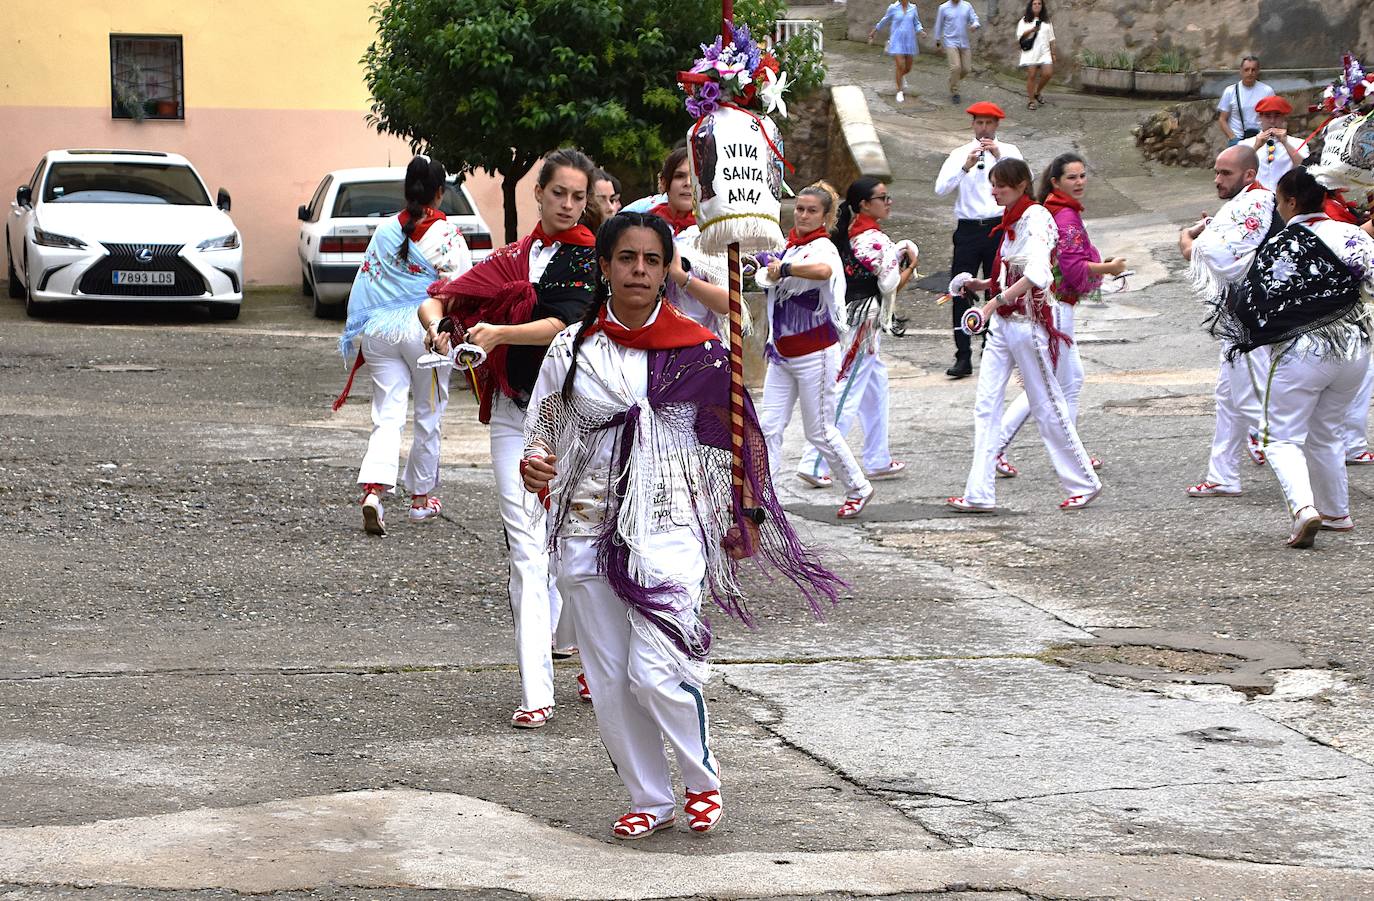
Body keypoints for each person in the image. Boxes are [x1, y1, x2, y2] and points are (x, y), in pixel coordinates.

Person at [520, 212, 842, 839]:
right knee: (610, 677)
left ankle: (701, 779)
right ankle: (650, 795)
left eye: (650, 259)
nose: (638, 269)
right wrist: (537, 465)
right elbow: (542, 429)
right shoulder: (572, 349)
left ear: (667, 268)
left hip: (670, 523)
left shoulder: (697, 348)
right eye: (625, 258)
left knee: (657, 669)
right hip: (586, 524)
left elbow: (734, 442)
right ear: (605, 266)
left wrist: (739, 516)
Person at [420, 148, 599, 730]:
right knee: (526, 550)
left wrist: (498, 332)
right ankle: (535, 690)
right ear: (539, 193)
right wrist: (437, 328)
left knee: (576, 547)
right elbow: (441, 296)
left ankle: (586, 655)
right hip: (512, 416)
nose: (569, 205)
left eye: (578, 196)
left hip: (570, 416)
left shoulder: (589, 257)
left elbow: (562, 324)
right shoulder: (509, 258)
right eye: (559, 194)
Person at [1210, 167, 1374, 547]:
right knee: (1327, 430)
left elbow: (1252, 302)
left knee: (1279, 437)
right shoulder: (1352, 234)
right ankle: (1336, 511)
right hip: (1354, 348)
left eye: (1280, 201)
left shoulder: (1280, 245)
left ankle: (1304, 509)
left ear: (1292, 202)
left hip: (1305, 352)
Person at [946, 158, 1101, 513]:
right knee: (985, 407)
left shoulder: (1036, 218)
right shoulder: (1013, 219)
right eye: (993, 184)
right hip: (1003, 324)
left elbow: (1038, 273)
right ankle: (979, 492)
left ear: (1019, 186)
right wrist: (981, 285)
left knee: (1047, 405)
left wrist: (992, 302)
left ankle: (1084, 482)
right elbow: (1011, 271)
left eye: (999, 184)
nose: (993, 190)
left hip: (1027, 324)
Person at [335, 155, 472, 536]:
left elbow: (367, 282)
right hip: (423, 331)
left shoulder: (383, 232)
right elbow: (458, 290)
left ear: (406, 190)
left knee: (387, 413)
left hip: (380, 331)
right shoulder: (449, 237)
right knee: (429, 413)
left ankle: (374, 492)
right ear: (440, 193)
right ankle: (420, 499)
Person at [994, 153, 1125, 477]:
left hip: (1053, 305)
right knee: (1045, 387)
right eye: (1072, 178)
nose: (1079, 183)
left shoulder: (1053, 210)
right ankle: (996, 447)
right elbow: (1071, 267)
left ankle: (1072, 451)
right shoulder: (1063, 216)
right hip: (1057, 306)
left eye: (1082, 176)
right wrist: (1109, 268)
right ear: (1055, 182)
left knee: (1071, 380)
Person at [758, 183, 875, 518]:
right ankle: (767, 498)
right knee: (769, 427)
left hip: (815, 355)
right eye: (799, 209)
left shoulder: (823, 247)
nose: (804, 215)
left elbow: (823, 272)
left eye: (811, 211)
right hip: (781, 355)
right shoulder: (790, 246)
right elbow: (775, 275)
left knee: (820, 431)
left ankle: (858, 487)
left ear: (825, 216)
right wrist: (767, 263)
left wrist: (785, 269)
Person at [796, 177, 916, 488]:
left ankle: (877, 457)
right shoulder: (876, 241)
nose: (888, 202)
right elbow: (889, 285)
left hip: (855, 315)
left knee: (876, 385)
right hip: (863, 320)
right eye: (882, 197)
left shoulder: (848, 233)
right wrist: (910, 266)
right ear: (865, 204)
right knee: (847, 389)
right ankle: (815, 461)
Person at [1179, 144, 1279, 497]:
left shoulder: (1258, 201)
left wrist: (1188, 242)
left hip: (1250, 316)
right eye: (1216, 172)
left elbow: (1223, 256)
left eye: (1226, 173)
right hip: (1236, 314)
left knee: (1255, 399)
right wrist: (1207, 230)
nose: (1217, 180)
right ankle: (1222, 476)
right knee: (1228, 397)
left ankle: (1301, 477)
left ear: (1249, 175)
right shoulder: (1245, 201)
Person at [934, 101, 1024, 378]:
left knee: (997, 287)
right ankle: (963, 355)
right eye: (979, 123)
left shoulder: (1009, 152)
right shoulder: (960, 153)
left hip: (999, 227)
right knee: (960, 288)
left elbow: (1025, 184)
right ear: (972, 124)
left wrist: (999, 159)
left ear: (997, 125)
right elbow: (940, 189)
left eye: (988, 123)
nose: (983, 128)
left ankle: (991, 347)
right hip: (969, 229)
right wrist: (965, 167)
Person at [649, 148, 731, 335]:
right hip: (650, 340)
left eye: (695, 177)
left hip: (699, 345)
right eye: (679, 176)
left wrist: (681, 276)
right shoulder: (645, 227)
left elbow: (728, 304)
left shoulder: (714, 233)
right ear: (663, 183)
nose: (687, 183)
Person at [870, 1, 923, 103]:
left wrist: (921, 31)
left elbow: (916, 23)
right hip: (896, 40)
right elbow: (884, 20)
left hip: (909, 41)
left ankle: (901, 77)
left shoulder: (913, 7)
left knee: (908, 68)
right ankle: (899, 91)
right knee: (900, 65)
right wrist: (874, 31)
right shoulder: (893, 8)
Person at [1251, 96, 1308, 190]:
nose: (1272, 121)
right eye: (1267, 116)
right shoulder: (1246, 144)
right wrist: (1256, 147)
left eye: (1277, 116)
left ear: (1283, 118)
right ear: (1260, 117)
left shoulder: (1299, 143)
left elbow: (1304, 168)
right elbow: (1238, 169)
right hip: (1257, 198)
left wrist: (1285, 143)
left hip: (1286, 197)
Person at [1217, 56, 1275, 147]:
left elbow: (1273, 117)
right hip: (1238, 140)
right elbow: (1222, 119)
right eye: (1246, 69)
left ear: (1258, 71)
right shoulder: (1230, 91)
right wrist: (1233, 137)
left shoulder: (1267, 91)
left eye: (1253, 70)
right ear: (1241, 71)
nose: (1250, 73)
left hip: (1261, 138)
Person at [933, 0, 982, 105]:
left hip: (964, 42)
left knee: (966, 69)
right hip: (950, 41)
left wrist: (975, 25)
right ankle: (955, 91)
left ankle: (952, 80)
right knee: (956, 67)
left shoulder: (966, 6)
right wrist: (937, 41)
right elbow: (939, 25)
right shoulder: (943, 8)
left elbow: (975, 19)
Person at [1017, 0, 1055, 110]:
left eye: (1039, 3)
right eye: (1035, 3)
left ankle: (1037, 92)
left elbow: (1052, 39)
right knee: (1032, 75)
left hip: (1045, 52)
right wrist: (1032, 30)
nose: (1037, 5)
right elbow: (1020, 37)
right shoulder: (1024, 20)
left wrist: (1053, 52)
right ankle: (1031, 101)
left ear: (1042, 6)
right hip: (1031, 52)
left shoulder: (1047, 21)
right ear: (1031, 6)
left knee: (1048, 73)